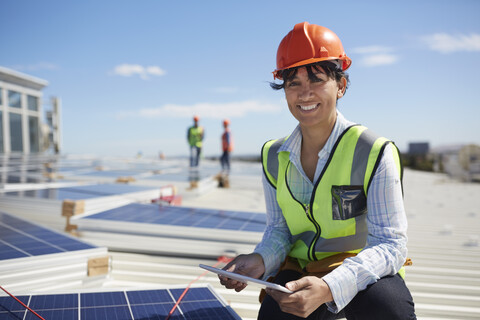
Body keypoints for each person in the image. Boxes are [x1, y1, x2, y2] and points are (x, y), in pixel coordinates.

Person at [218, 22, 416, 320]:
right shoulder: (274, 156)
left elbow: (391, 244)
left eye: (317, 79)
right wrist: (260, 260)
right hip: (300, 270)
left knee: (388, 309)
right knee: (273, 315)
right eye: (293, 83)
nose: (304, 93)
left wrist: (329, 286)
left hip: (360, 267)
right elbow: (279, 230)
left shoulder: (374, 151)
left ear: (341, 85)